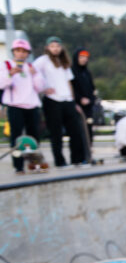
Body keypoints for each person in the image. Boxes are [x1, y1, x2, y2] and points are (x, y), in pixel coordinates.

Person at [35, 36, 87, 168]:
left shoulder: (64, 62)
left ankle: (77, 159)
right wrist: (43, 89)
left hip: (67, 100)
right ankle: (60, 161)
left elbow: (69, 82)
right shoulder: (43, 61)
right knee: (56, 133)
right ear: (47, 48)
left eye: (57, 46)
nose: (55, 49)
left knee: (75, 131)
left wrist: (73, 100)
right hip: (53, 100)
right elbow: (32, 72)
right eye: (52, 46)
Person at [1, 38, 46, 174]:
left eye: (24, 51)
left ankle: (34, 164)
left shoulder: (32, 67)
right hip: (15, 105)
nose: (21, 54)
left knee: (34, 137)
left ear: (28, 53)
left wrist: (35, 75)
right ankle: (18, 166)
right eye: (18, 51)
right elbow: (1, 84)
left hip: (32, 105)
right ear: (14, 52)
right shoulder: (6, 65)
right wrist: (10, 74)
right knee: (16, 137)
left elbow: (40, 87)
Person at [70, 48, 97, 147]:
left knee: (89, 130)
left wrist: (91, 100)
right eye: (81, 57)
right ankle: (80, 156)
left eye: (86, 57)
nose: (84, 59)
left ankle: (89, 152)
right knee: (79, 131)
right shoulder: (71, 71)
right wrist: (80, 99)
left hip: (88, 107)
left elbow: (92, 89)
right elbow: (71, 88)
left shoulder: (87, 73)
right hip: (77, 107)